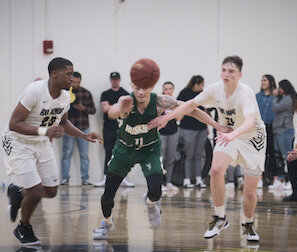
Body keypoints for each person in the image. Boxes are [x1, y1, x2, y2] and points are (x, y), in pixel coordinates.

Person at [149, 55, 265, 242]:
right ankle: (220, 218)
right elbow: (190, 105)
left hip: (253, 137)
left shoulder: (246, 93)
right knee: (216, 169)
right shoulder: (214, 89)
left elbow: (251, 121)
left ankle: (248, 225)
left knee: (250, 193)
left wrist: (232, 135)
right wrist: (167, 118)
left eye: (231, 71)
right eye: (224, 70)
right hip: (228, 132)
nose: (226, 74)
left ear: (240, 75)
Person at [92, 82, 227, 240]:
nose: (141, 92)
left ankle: (150, 204)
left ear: (152, 86)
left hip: (149, 149)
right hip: (125, 150)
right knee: (108, 195)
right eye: (137, 87)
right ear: (132, 85)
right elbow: (112, 113)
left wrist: (217, 125)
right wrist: (120, 107)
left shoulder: (161, 101)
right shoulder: (126, 101)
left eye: (145, 87)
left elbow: (193, 110)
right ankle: (106, 222)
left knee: (156, 191)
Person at [2, 57, 102, 246]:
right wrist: (45, 131)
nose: (72, 78)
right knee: (36, 191)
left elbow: (63, 122)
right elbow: (14, 124)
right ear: (54, 74)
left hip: (40, 142)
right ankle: (23, 227)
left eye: (73, 74)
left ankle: (17, 194)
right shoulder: (34, 91)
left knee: (51, 190)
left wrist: (83, 135)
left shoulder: (65, 97)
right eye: (69, 74)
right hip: (18, 142)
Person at [96, 72, 133, 187]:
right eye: (113, 79)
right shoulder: (105, 94)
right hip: (108, 128)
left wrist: (115, 107)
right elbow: (105, 108)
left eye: (117, 79)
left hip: (123, 128)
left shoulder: (126, 94)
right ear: (110, 80)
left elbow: (128, 110)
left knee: (124, 154)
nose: (115, 81)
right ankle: (106, 177)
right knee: (108, 153)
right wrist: (120, 107)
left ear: (120, 80)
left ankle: (124, 178)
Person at [60, 71, 96, 186]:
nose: (75, 84)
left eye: (78, 82)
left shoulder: (86, 93)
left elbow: (93, 110)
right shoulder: (64, 93)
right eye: (73, 82)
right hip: (68, 129)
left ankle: (85, 179)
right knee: (67, 153)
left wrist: (83, 108)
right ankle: (65, 179)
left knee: (84, 155)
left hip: (84, 128)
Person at [269, 79, 297, 190]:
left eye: (280, 88)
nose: (278, 90)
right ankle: (281, 179)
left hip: (285, 131)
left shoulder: (289, 99)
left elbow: (275, 108)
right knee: (278, 156)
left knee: (286, 156)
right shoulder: (284, 98)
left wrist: (274, 96)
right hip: (278, 130)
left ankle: (291, 181)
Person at [177, 75, 208, 188]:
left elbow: (205, 110)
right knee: (189, 155)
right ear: (196, 84)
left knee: (199, 155)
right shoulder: (184, 93)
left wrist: (207, 127)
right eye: (202, 85)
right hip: (188, 128)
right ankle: (187, 179)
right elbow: (178, 108)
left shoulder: (203, 94)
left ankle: (199, 179)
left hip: (201, 128)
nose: (203, 87)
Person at [256, 74, 277, 188]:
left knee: (272, 153)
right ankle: (259, 178)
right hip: (259, 127)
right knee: (259, 152)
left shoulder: (275, 96)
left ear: (271, 82)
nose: (262, 82)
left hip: (272, 127)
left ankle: (274, 178)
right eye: (261, 80)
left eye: (265, 80)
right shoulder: (258, 96)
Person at [159, 81, 180, 191]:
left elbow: (179, 118)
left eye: (170, 88)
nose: (168, 91)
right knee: (161, 158)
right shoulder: (159, 102)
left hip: (173, 132)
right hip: (162, 133)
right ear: (163, 90)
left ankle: (169, 182)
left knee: (170, 158)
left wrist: (174, 110)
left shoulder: (175, 103)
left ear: (173, 90)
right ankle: (160, 182)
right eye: (166, 89)